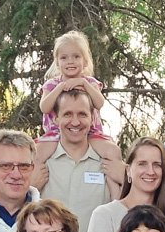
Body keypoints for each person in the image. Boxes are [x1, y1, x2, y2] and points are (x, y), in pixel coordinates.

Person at [34, 86, 123, 232]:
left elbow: (122, 210)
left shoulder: (108, 163)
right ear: (56, 118)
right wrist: (31, 187)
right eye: (67, 114)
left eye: (82, 114)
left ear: (92, 118)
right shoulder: (40, 164)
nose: (75, 122)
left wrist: (127, 178)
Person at [32, 30, 123, 158]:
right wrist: (60, 87)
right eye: (64, 57)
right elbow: (44, 107)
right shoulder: (52, 84)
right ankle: (37, 177)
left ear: (85, 61)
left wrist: (84, 84)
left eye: (76, 56)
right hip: (55, 134)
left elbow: (99, 103)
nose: (70, 61)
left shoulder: (90, 82)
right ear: (57, 62)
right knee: (37, 153)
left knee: (111, 151)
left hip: (89, 133)